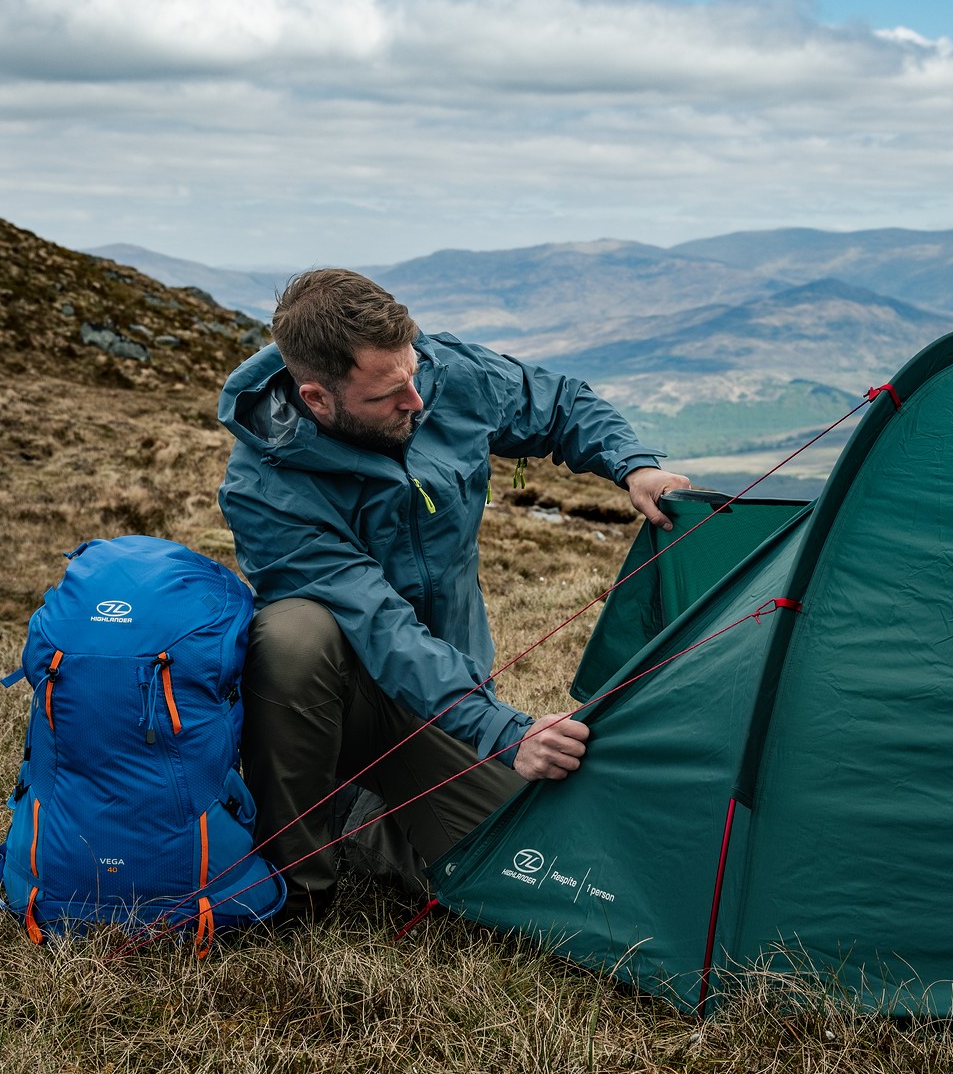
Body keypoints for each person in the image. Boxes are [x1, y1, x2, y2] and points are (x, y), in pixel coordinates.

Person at [217, 268, 690, 919]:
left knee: (544, 857)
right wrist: (505, 732)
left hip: (448, 695)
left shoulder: (442, 373)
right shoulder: (266, 490)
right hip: (345, 703)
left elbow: (557, 404)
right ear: (318, 399)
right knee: (293, 634)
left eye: (413, 372)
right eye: (389, 394)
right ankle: (301, 884)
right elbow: (381, 628)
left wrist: (634, 464)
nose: (417, 400)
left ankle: (374, 815)